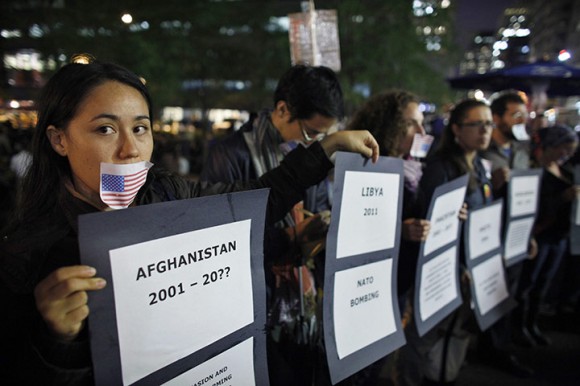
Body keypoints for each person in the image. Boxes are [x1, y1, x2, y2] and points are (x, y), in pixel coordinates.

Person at [0, 59, 379, 385]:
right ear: (59, 139)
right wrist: (54, 341)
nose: (130, 149)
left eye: (140, 128)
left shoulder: (168, 193)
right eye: (105, 129)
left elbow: (253, 199)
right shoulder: (26, 251)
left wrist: (325, 149)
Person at [201, 64, 344, 386]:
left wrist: (322, 225)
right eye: (311, 133)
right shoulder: (230, 155)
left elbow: (318, 206)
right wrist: (290, 237)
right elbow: (222, 241)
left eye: (323, 137)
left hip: (301, 296)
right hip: (255, 301)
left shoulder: (313, 157)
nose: (316, 143)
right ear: (283, 109)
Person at [398, 99, 494, 386]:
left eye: (488, 123)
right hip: (438, 270)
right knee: (422, 336)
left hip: (462, 267)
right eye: (477, 124)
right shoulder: (441, 168)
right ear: (456, 129)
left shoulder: (478, 165)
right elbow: (428, 221)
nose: (484, 130)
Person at [346, 89, 432, 384]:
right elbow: (349, 228)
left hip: (399, 282)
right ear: (388, 124)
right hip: (368, 284)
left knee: (379, 358)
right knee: (360, 365)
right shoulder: (361, 164)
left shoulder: (415, 168)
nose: (421, 131)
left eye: (421, 122)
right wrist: (400, 230)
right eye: (411, 123)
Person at [476, 91, 535, 376]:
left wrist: (528, 234)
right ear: (497, 118)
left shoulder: (521, 153)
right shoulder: (484, 155)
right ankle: (491, 350)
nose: (521, 120)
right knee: (493, 296)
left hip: (516, 238)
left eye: (523, 115)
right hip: (491, 239)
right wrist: (494, 186)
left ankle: (503, 343)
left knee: (510, 293)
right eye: (515, 115)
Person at [516, 125, 579, 348]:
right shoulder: (536, 170)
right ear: (552, 146)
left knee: (543, 283)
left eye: (571, 150)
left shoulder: (566, 170)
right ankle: (519, 327)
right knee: (528, 283)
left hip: (559, 236)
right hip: (541, 234)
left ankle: (532, 323)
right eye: (564, 148)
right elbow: (535, 204)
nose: (567, 154)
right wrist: (562, 197)